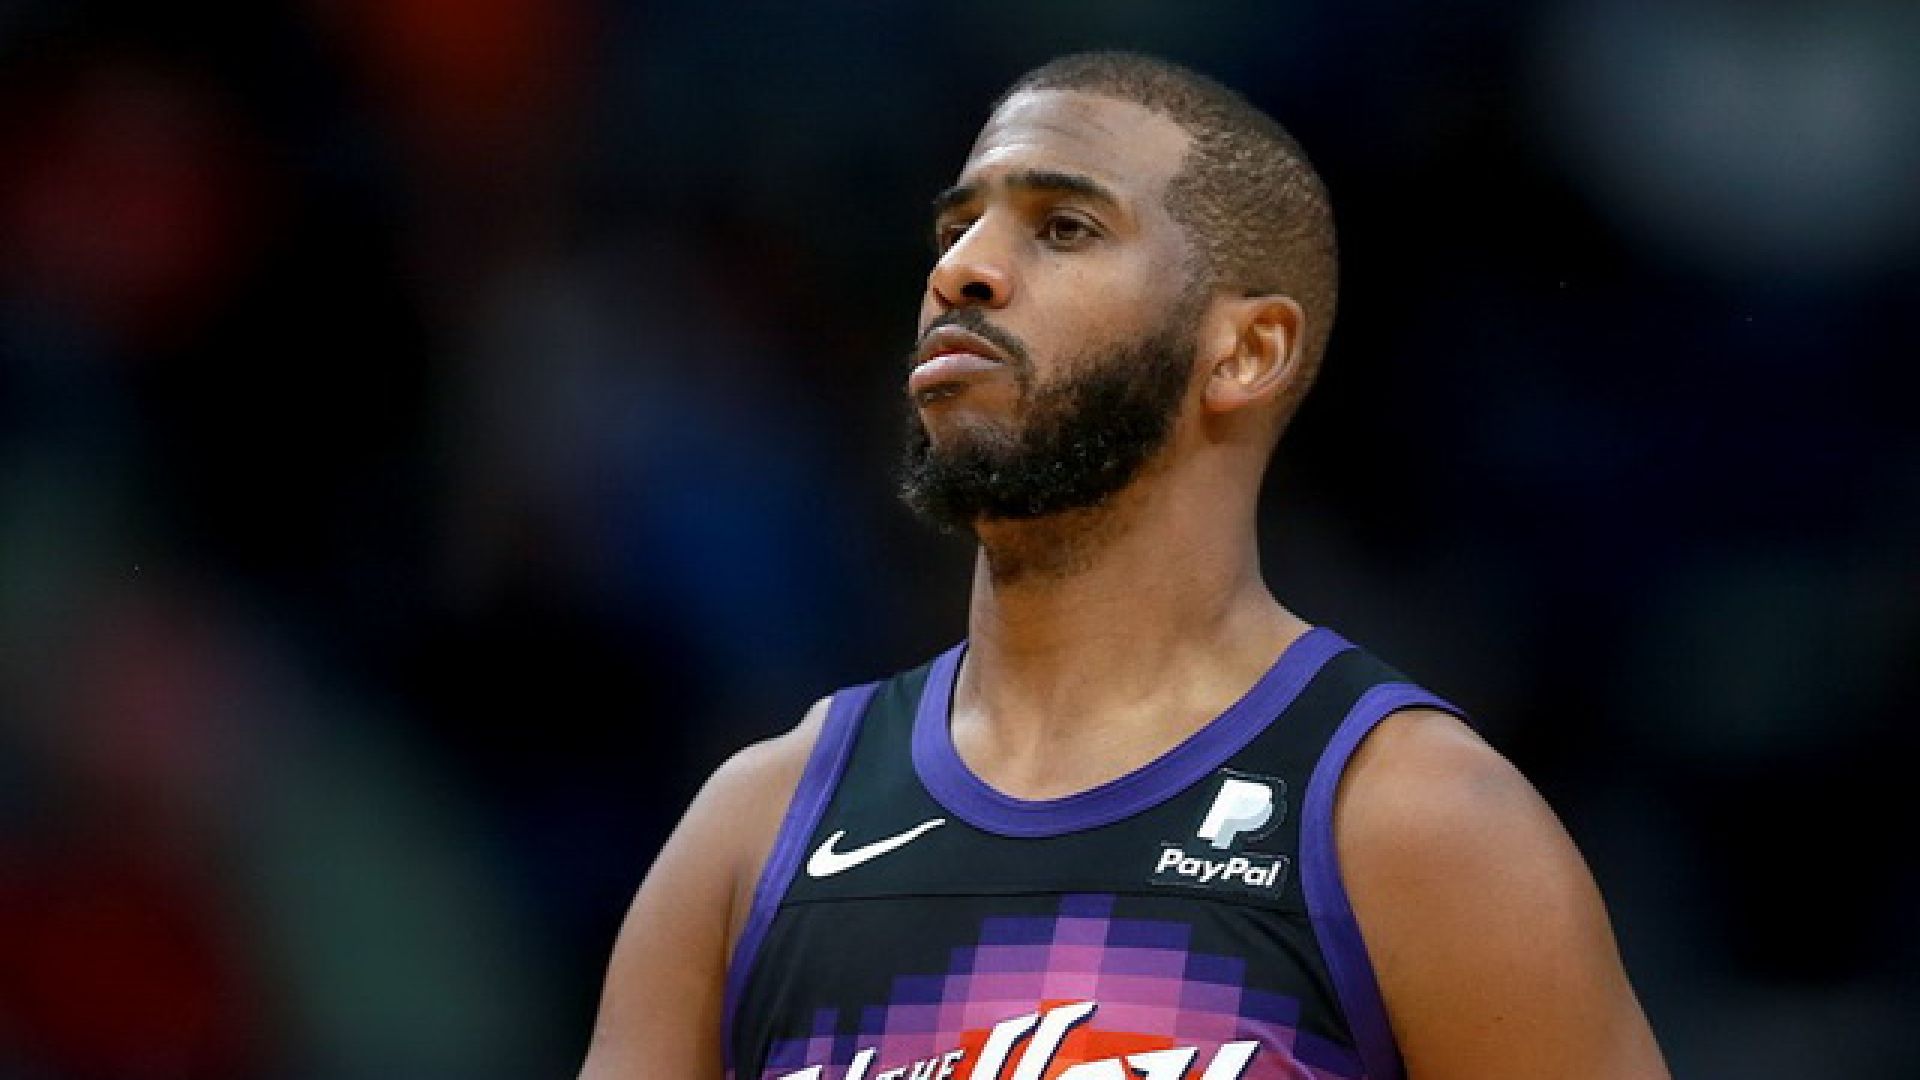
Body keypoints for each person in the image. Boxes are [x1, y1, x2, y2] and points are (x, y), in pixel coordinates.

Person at [578, 51, 1668, 1080]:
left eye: (1063, 227)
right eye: (955, 230)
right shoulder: (757, 825)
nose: (960, 271)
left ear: (1246, 351)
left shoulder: (1414, 822)